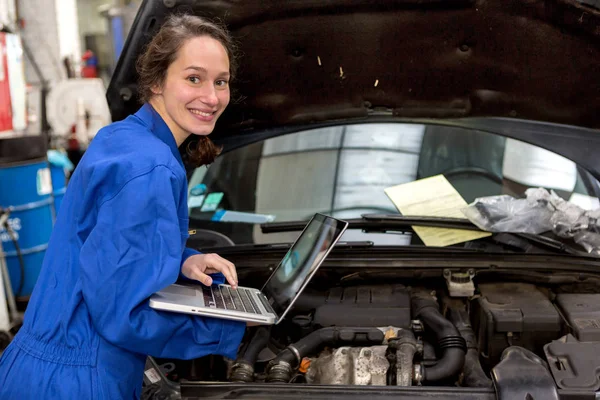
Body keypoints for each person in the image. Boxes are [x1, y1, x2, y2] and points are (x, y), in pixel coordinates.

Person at [0, 14, 248, 399]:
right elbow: (126, 315)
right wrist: (232, 327)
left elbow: (105, 248)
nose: (212, 97)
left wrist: (180, 259)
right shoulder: (151, 167)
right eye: (193, 78)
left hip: (39, 366)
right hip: (79, 381)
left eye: (221, 81)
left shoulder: (122, 138)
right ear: (155, 81)